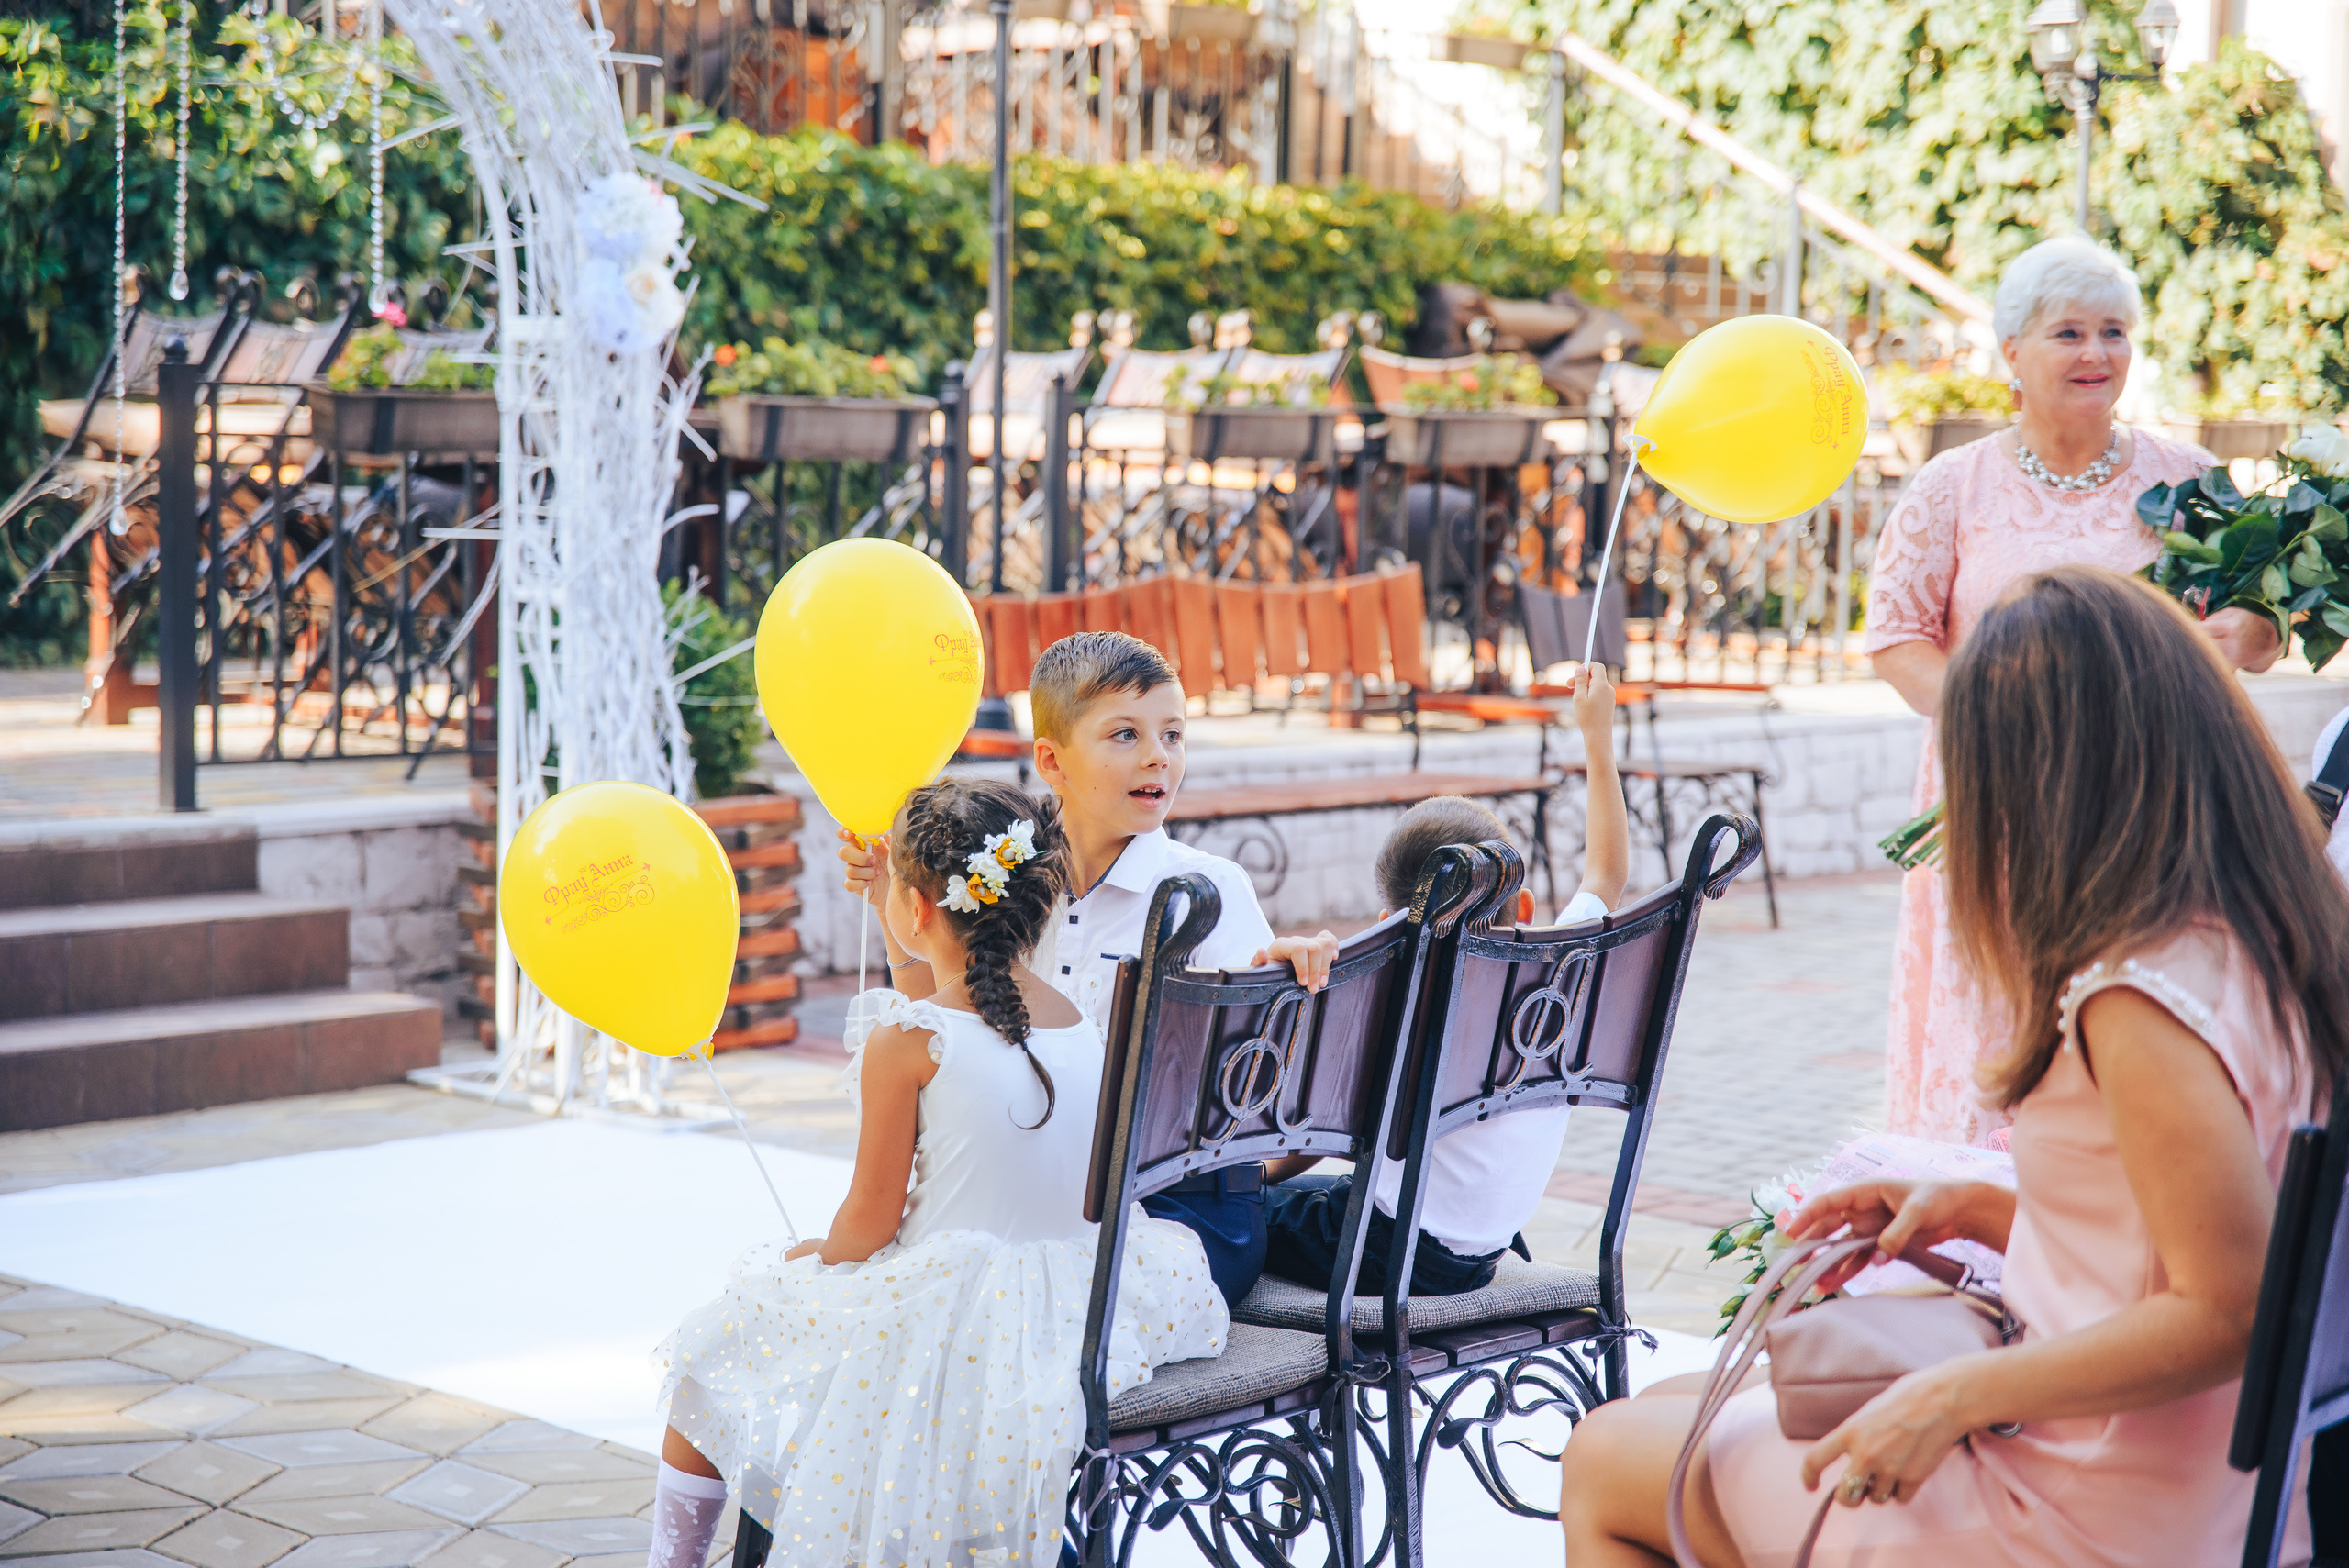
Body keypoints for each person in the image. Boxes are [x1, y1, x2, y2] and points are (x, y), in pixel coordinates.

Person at [1558, 565, 2347, 1566]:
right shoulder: (2266, 935)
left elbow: (2230, 1309)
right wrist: (1972, 1208)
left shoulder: (2137, 999)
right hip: (2196, 1494)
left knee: (1606, 1456)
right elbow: (2184, 1250)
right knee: (1684, 1402)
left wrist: (1948, 1397)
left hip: (2088, 1516)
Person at [651, 778, 1226, 1568]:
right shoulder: (1083, 1022)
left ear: (920, 908)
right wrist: (902, 915)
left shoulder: (905, 1044)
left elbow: (870, 1224)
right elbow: (960, 1011)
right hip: (1075, 1304)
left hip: (948, 1316)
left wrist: (807, 1257)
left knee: (710, 1347)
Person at [1865, 235, 2283, 1147]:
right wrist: (1996, 726)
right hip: (1995, 799)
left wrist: (2248, 633)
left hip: (2147, 797)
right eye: (2068, 333)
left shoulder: (2189, 482)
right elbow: (1895, 637)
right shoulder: (1952, 486)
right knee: (1999, 1013)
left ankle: (2119, 1207)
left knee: (2126, 999)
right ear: (2010, 352)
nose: (2096, 353)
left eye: (2113, 332)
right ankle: (1980, 1229)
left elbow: (2260, 617)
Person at [841, 631, 1339, 1311]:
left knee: (957, 1302)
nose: (1158, 755)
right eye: (1126, 734)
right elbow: (946, 1030)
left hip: (1170, 1215)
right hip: (1046, 1205)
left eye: (1173, 734)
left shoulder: (1206, 891)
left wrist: (1278, 978)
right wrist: (898, 914)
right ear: (1051, 758)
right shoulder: (1008, 878)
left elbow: (1277, 1088)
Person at [1258, 662, 1631, 1299]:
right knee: (1320, 1193)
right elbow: (1606, 874)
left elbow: (1317, 1137)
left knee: (1237, 1213)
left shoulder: (1394, 1004)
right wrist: (1597, 738)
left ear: (1388, 925)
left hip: (1385, 1252)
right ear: (1528, 907)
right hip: (1482, 1250)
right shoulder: (1563, 975)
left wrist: (1258, 1176)